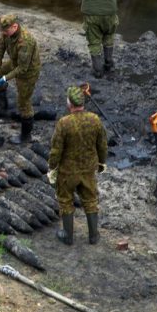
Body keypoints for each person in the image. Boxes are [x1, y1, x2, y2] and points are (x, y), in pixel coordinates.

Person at [47, 85, 108, 245]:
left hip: (68, 172)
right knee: (90, 200)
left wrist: (52, 167)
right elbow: (102, 145)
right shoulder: (95, 120)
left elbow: (56, 150)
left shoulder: (64, 123)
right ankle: (93, 236)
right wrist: (102, 162)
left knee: (65, 200)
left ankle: (68, 235)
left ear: (69, 103)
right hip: (88, 170)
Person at [0, 14, 41, 145]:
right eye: (2, 30)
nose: (3, 33)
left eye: (6, 30)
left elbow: (23, 68)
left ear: (15, 26)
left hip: (28, 72)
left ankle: (26, 136)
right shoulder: (5, 34)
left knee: (23, 102)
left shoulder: (26, 41)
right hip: (14, 63)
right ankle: (2, 110)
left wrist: (4, 78)